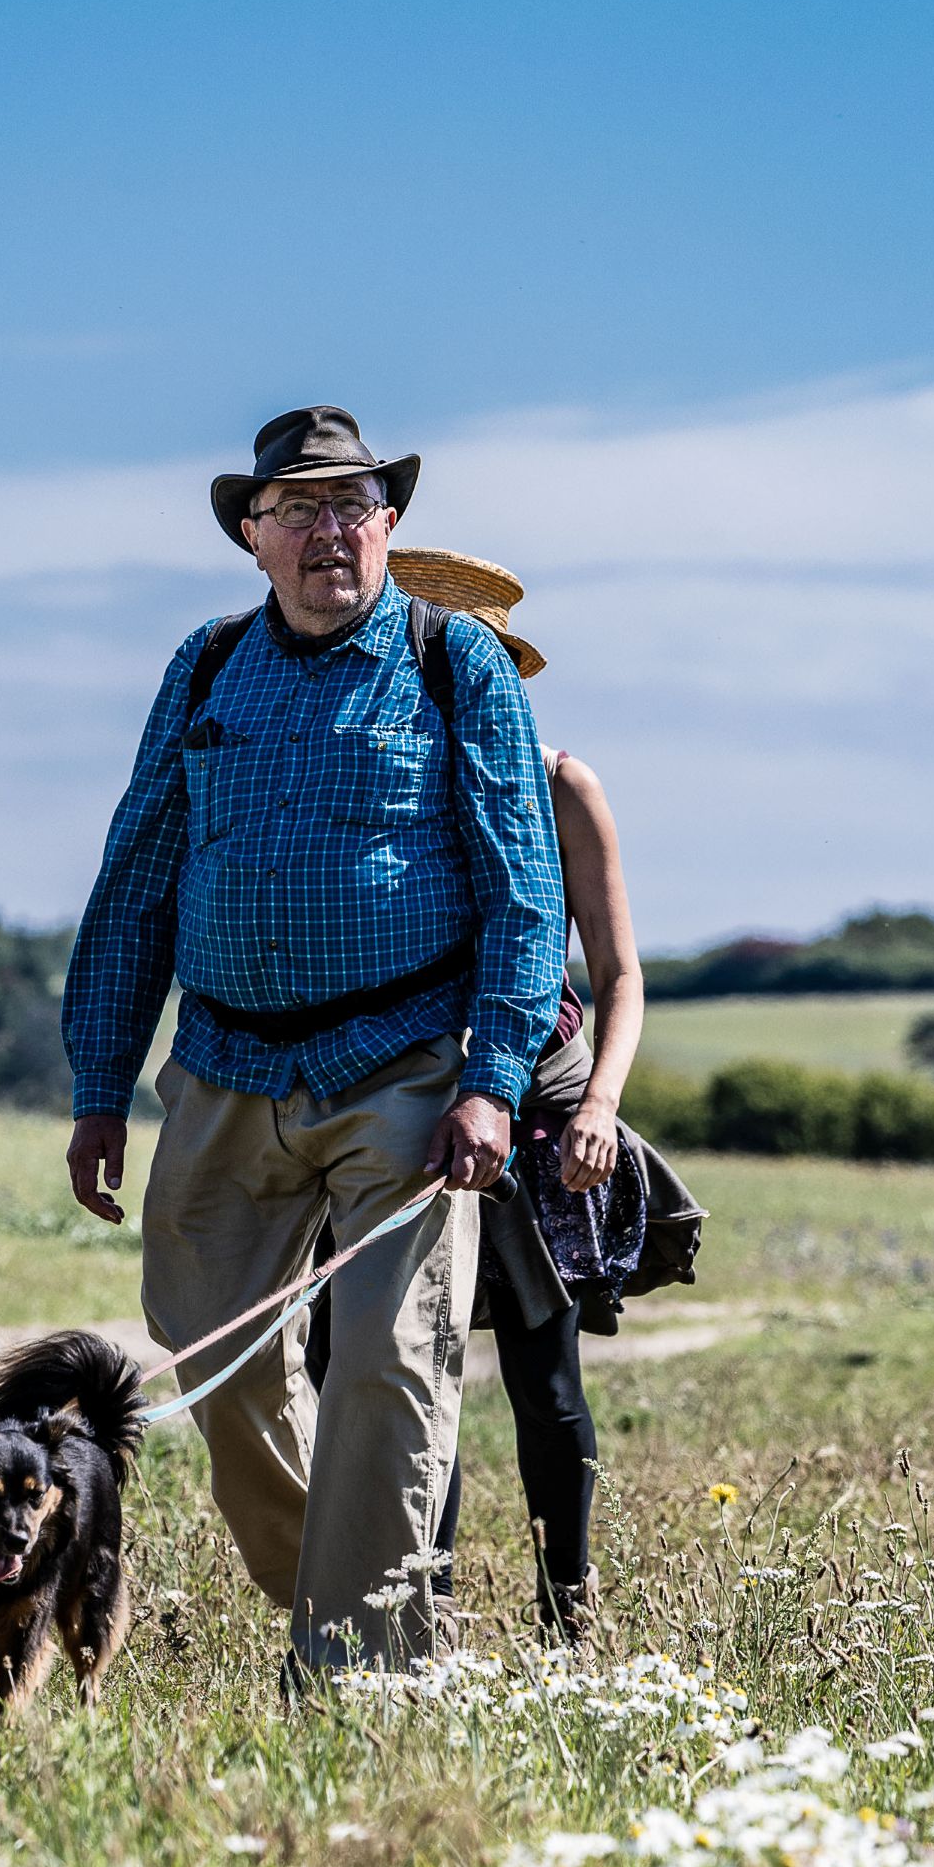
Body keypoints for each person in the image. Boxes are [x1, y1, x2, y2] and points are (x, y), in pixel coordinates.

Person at [61, 408, 565, 1675]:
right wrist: (98, 1084)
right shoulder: (205, 665)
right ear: (253, 535)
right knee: (210, 1352)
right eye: (299, 510)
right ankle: (333, 1593)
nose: (329, 531)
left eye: (353, 505)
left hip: (402, 1064)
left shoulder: (459, 665)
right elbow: (137, 880)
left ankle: (365, 1674)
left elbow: (524, 888)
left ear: (389, 525)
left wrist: (494, 1079)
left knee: (392, 1365)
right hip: (224, 1062)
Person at [384, 547, 702, 1644]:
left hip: (544, 1108)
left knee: (542, 1373)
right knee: (410, 1377)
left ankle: (570, 1610)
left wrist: (601, 1107)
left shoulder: (564, 781)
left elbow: (618, 973)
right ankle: (426, 1612)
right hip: (410, 1102)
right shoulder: (379, 775)